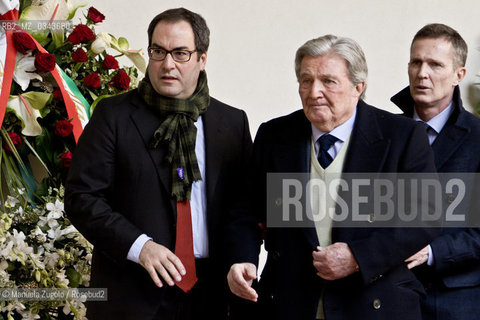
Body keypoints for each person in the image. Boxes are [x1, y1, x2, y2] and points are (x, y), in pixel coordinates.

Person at [226, 34, 441, 320]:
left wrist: (357, 257)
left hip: (375, 304)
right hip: (291, 303)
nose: (314, 91)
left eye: (328, 81)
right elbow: (246, 211)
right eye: (306, 80)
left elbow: (425, 217)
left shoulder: (401, 136)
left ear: (357, 87)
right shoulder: (274, 136)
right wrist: (242, 258)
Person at [65, 8, 252, 320]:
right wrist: (141, 247)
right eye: (158, 51)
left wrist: (242, 261)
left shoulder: (232, 123)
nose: (168, 64)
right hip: (131, 294)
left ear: (202, 58)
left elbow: (243, 207)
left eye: (180, 53)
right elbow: (82, 198)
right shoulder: (113, 116)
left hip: (210, 297)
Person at [391, 23, 480, 320]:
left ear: (459, 75)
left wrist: (432, 251)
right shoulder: (382, 133)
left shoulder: (478, 138)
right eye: (416, 62)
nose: (422, 73)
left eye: (435, 64)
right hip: (387, 297)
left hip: (455, 300)